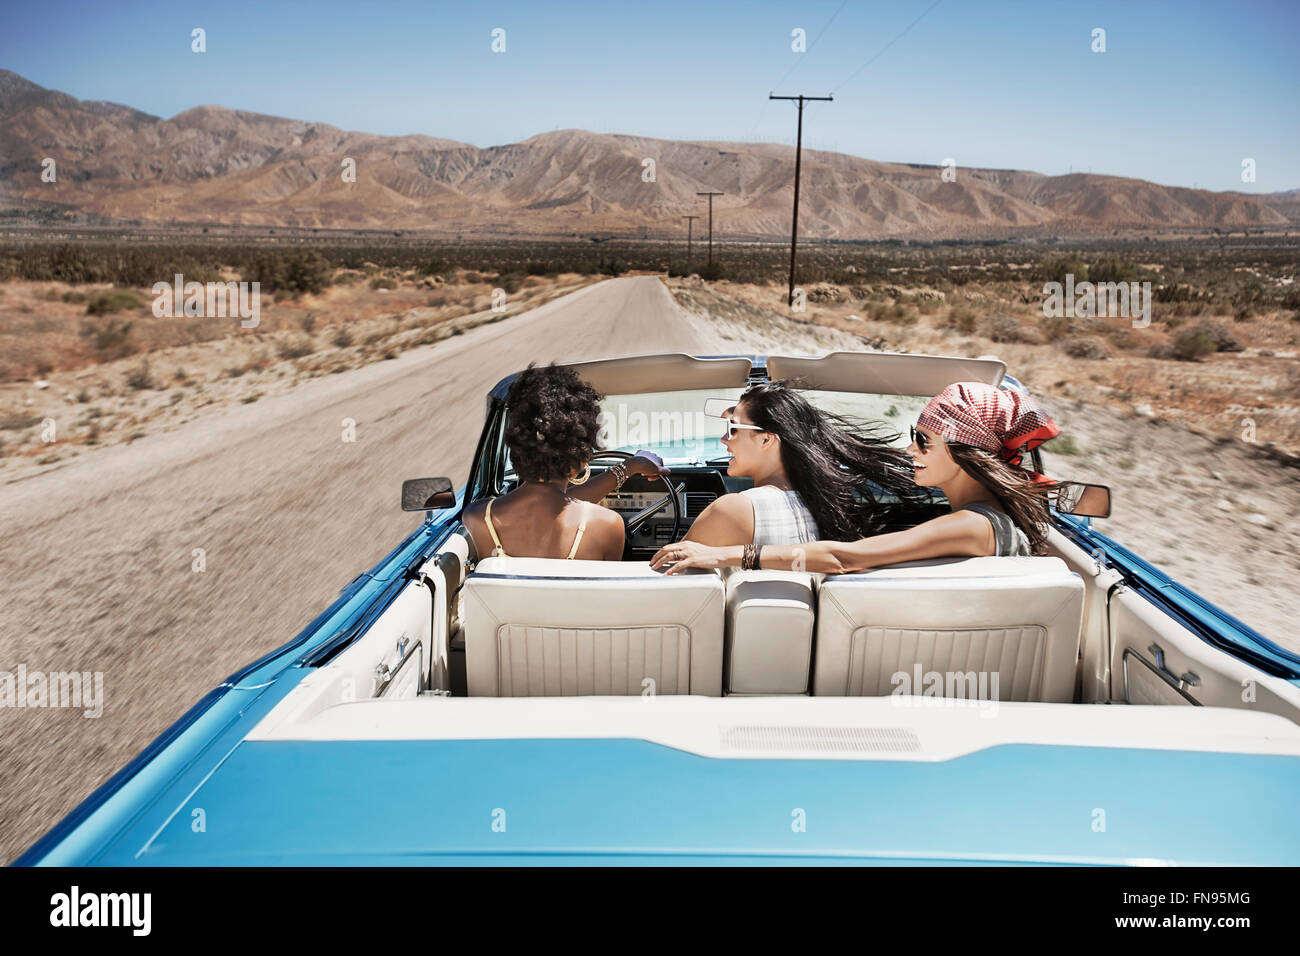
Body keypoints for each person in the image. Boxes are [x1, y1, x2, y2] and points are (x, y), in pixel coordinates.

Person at [651, 382, 1059, 575]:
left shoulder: (975, 525)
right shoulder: (985, 520)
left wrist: (730, 554)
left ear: (964, 450)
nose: (909, 450)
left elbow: (844, 559)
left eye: (923, 440)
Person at [682, 379, 933, 549]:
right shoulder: (821, 503)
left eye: (733, 429)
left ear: (766, 439)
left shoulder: (734, 510)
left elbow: (669, 580)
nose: (724, 439)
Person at [462, 363, 662, 561]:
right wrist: (629, 468)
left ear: (516, 444)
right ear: (582, 456)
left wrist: (628, 468)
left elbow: (546, 504)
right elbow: (557, 505)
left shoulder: (478, 516)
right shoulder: (608, 525)